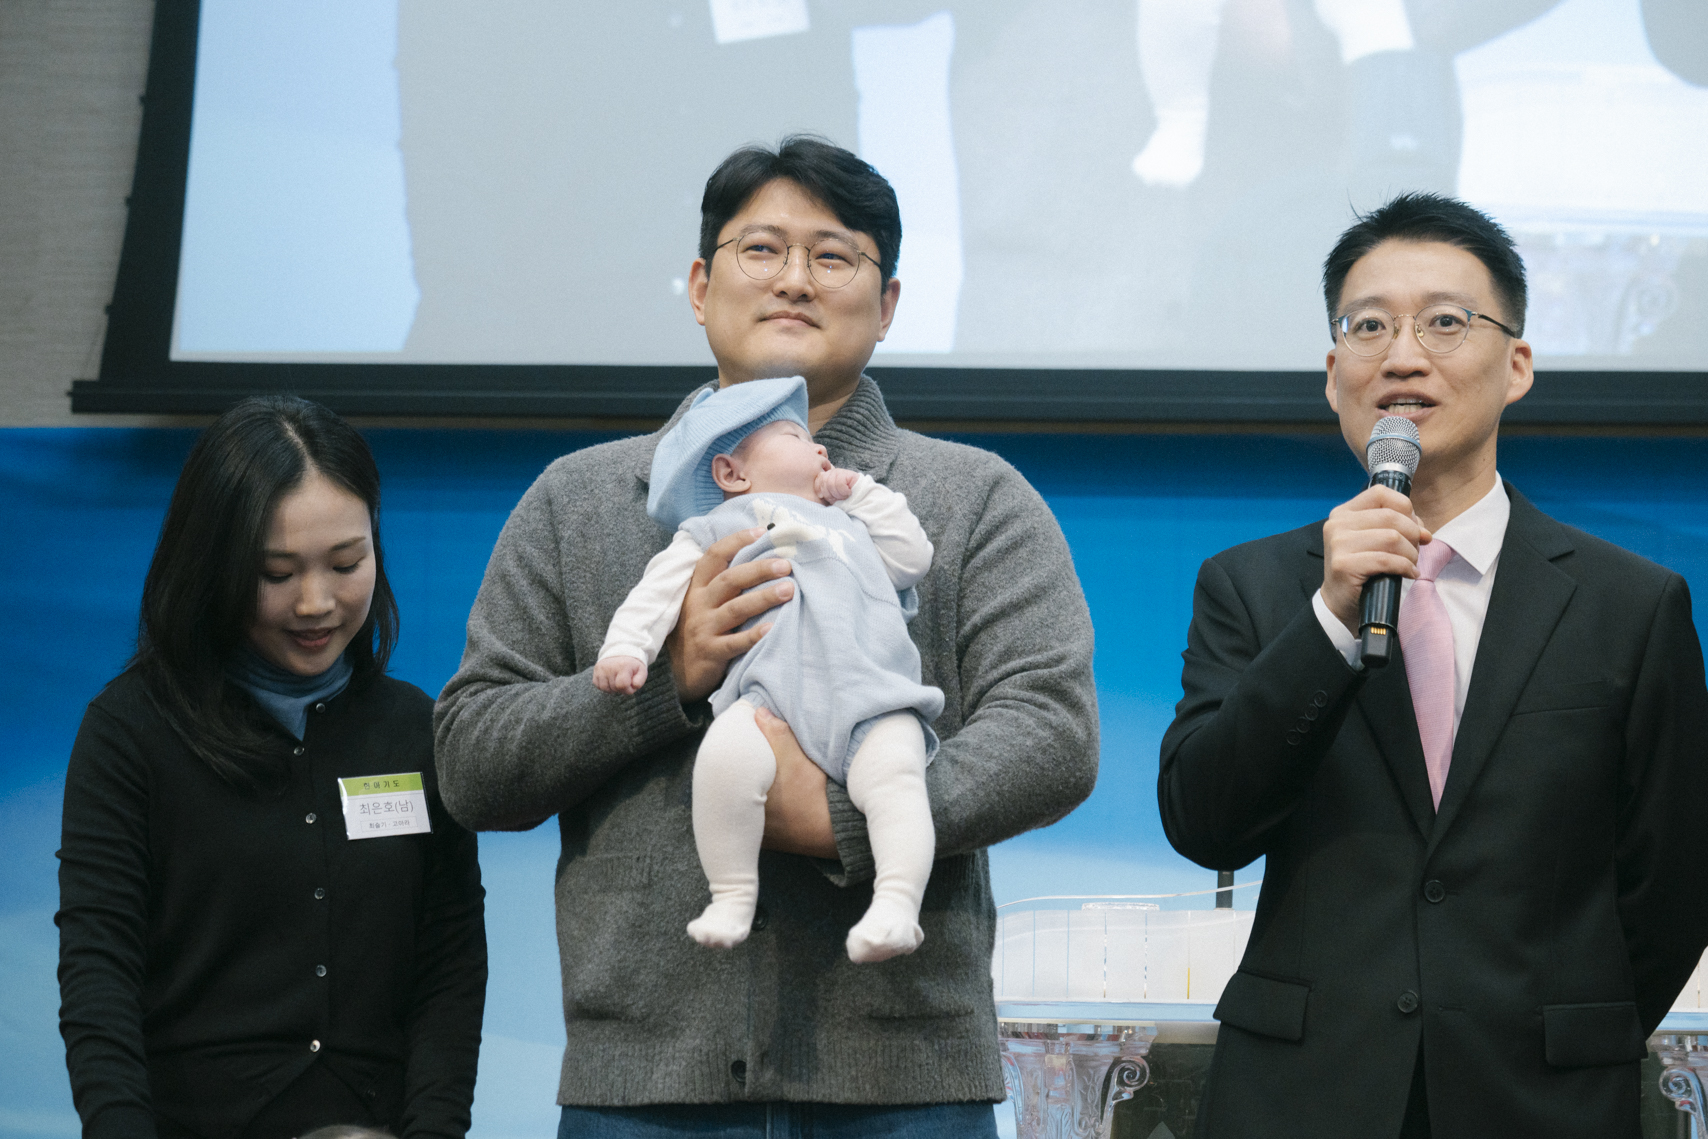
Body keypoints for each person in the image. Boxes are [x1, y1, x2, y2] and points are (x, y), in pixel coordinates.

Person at [434, 135, 1098, 1136]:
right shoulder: (578, 500)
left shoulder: (972, 499)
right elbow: (473, 762)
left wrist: (843, 819)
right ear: (701, 287)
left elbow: (1051, 732)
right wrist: (669, 680)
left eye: (833, 256)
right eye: (761, 249)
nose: (794, 278)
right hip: (643, 1088)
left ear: (887, 303)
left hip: (903, 1084)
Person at [1158, 192, 1708, 1137]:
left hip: (1541, 1101)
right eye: (1369, 326)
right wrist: (1329, 620)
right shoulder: (1252, 587)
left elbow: (1673, 884)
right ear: (1333, 376)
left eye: (1445, 322)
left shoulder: (1631, 605)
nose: (1402, 355)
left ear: (1517, 364)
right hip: (1304, 1098)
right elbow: (1206, 820)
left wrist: (1561, 1033)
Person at [58, 396, 487, 1139]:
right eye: (276, 573)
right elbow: (99, 971)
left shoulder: (415, 732)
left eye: (346, 564)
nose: (316, 602)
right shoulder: (131, 732)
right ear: (212, 564)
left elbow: (450, 968)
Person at [594, 376, 941, 963]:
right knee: (722, 762)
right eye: (795, 437)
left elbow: (913, 559)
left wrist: (863, 494)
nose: (821, 448)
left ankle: (897, 904)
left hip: (876, 698)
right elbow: (657, 592)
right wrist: (627, 649)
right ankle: (731, 893)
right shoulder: (718, 527)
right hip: (766, 697)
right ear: (732, 474)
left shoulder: (854, 523)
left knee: (898, 783)